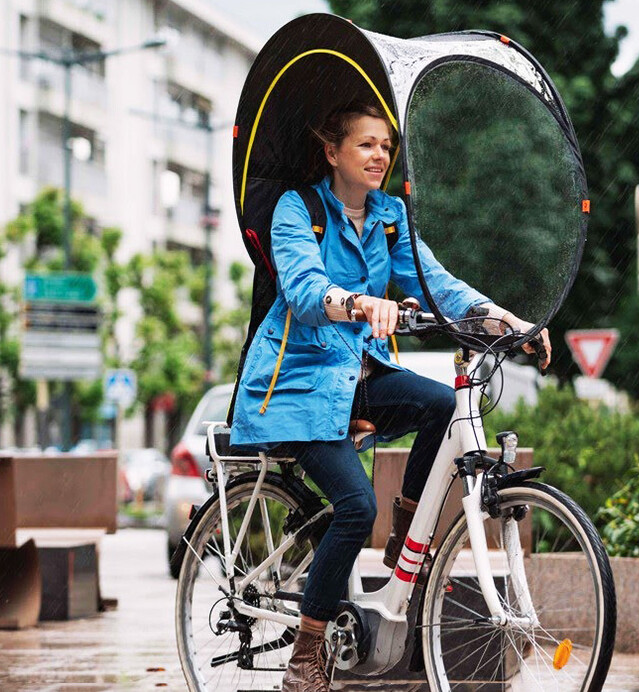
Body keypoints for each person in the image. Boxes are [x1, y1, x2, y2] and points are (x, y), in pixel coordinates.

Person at [229, 101, 551, 691]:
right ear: (332, 152)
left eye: (385, 146)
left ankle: (408, 551)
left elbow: (434, 281)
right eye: (365, 145)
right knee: (355, 508)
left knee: (442, 405)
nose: (380, 156)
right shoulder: (297, 209)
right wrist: (356, 302)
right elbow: (302, 288)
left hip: (359, 374)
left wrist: (494, 314)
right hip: (297, 384)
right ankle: (306, 655)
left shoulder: (389, 217)